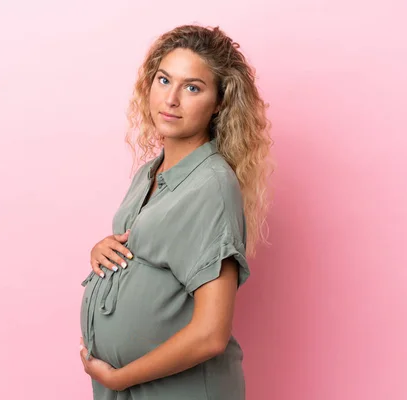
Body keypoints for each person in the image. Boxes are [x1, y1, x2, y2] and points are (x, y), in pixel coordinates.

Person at [79, 24, 272, 399]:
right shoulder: (149, 173)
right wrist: (102, 251)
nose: (171, 99)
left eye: (192, 87)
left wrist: (121, 378)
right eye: (164, 80)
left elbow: (211, 334)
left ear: (219, 103)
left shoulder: (213, 184)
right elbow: (151, 248)